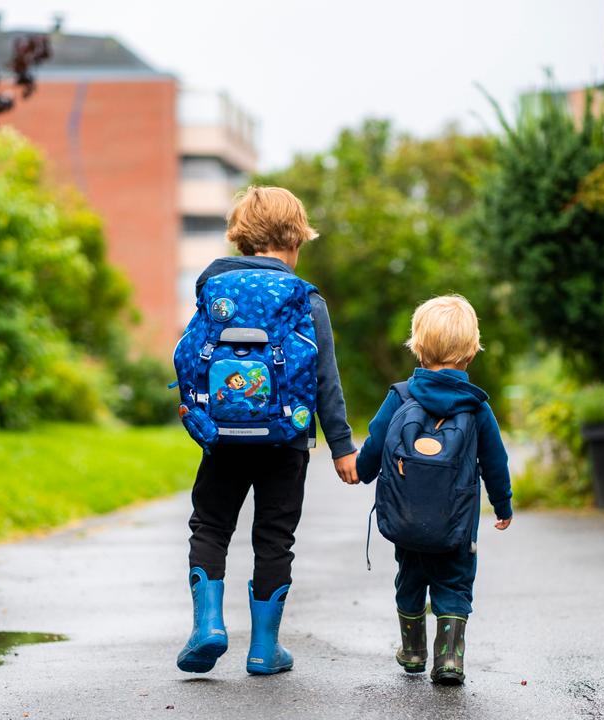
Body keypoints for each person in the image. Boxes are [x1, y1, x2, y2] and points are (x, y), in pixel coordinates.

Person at [177, 186, 358, 676]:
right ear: (296, 239)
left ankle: (209, 626)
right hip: (286, 442)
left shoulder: (213, 288)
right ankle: (263, 650)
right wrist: (342, 447)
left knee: (211, 526)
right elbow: (326, 379)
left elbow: (189, 356)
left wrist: (195, 412)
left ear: (241, 240)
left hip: (223, 440)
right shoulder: (305, 298)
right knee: (274, 539)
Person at [351, 295, 512, 685]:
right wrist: (502, 503)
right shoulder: (476, 408)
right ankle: (450, 660)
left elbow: (375, 443)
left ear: (418, 349)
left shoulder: (401, 396)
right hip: (456, 527)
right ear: (471, 353)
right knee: (454, 584)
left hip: (406, 521)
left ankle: (412, 650)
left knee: (410, 579)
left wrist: (361, 470)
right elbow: (495, 461)